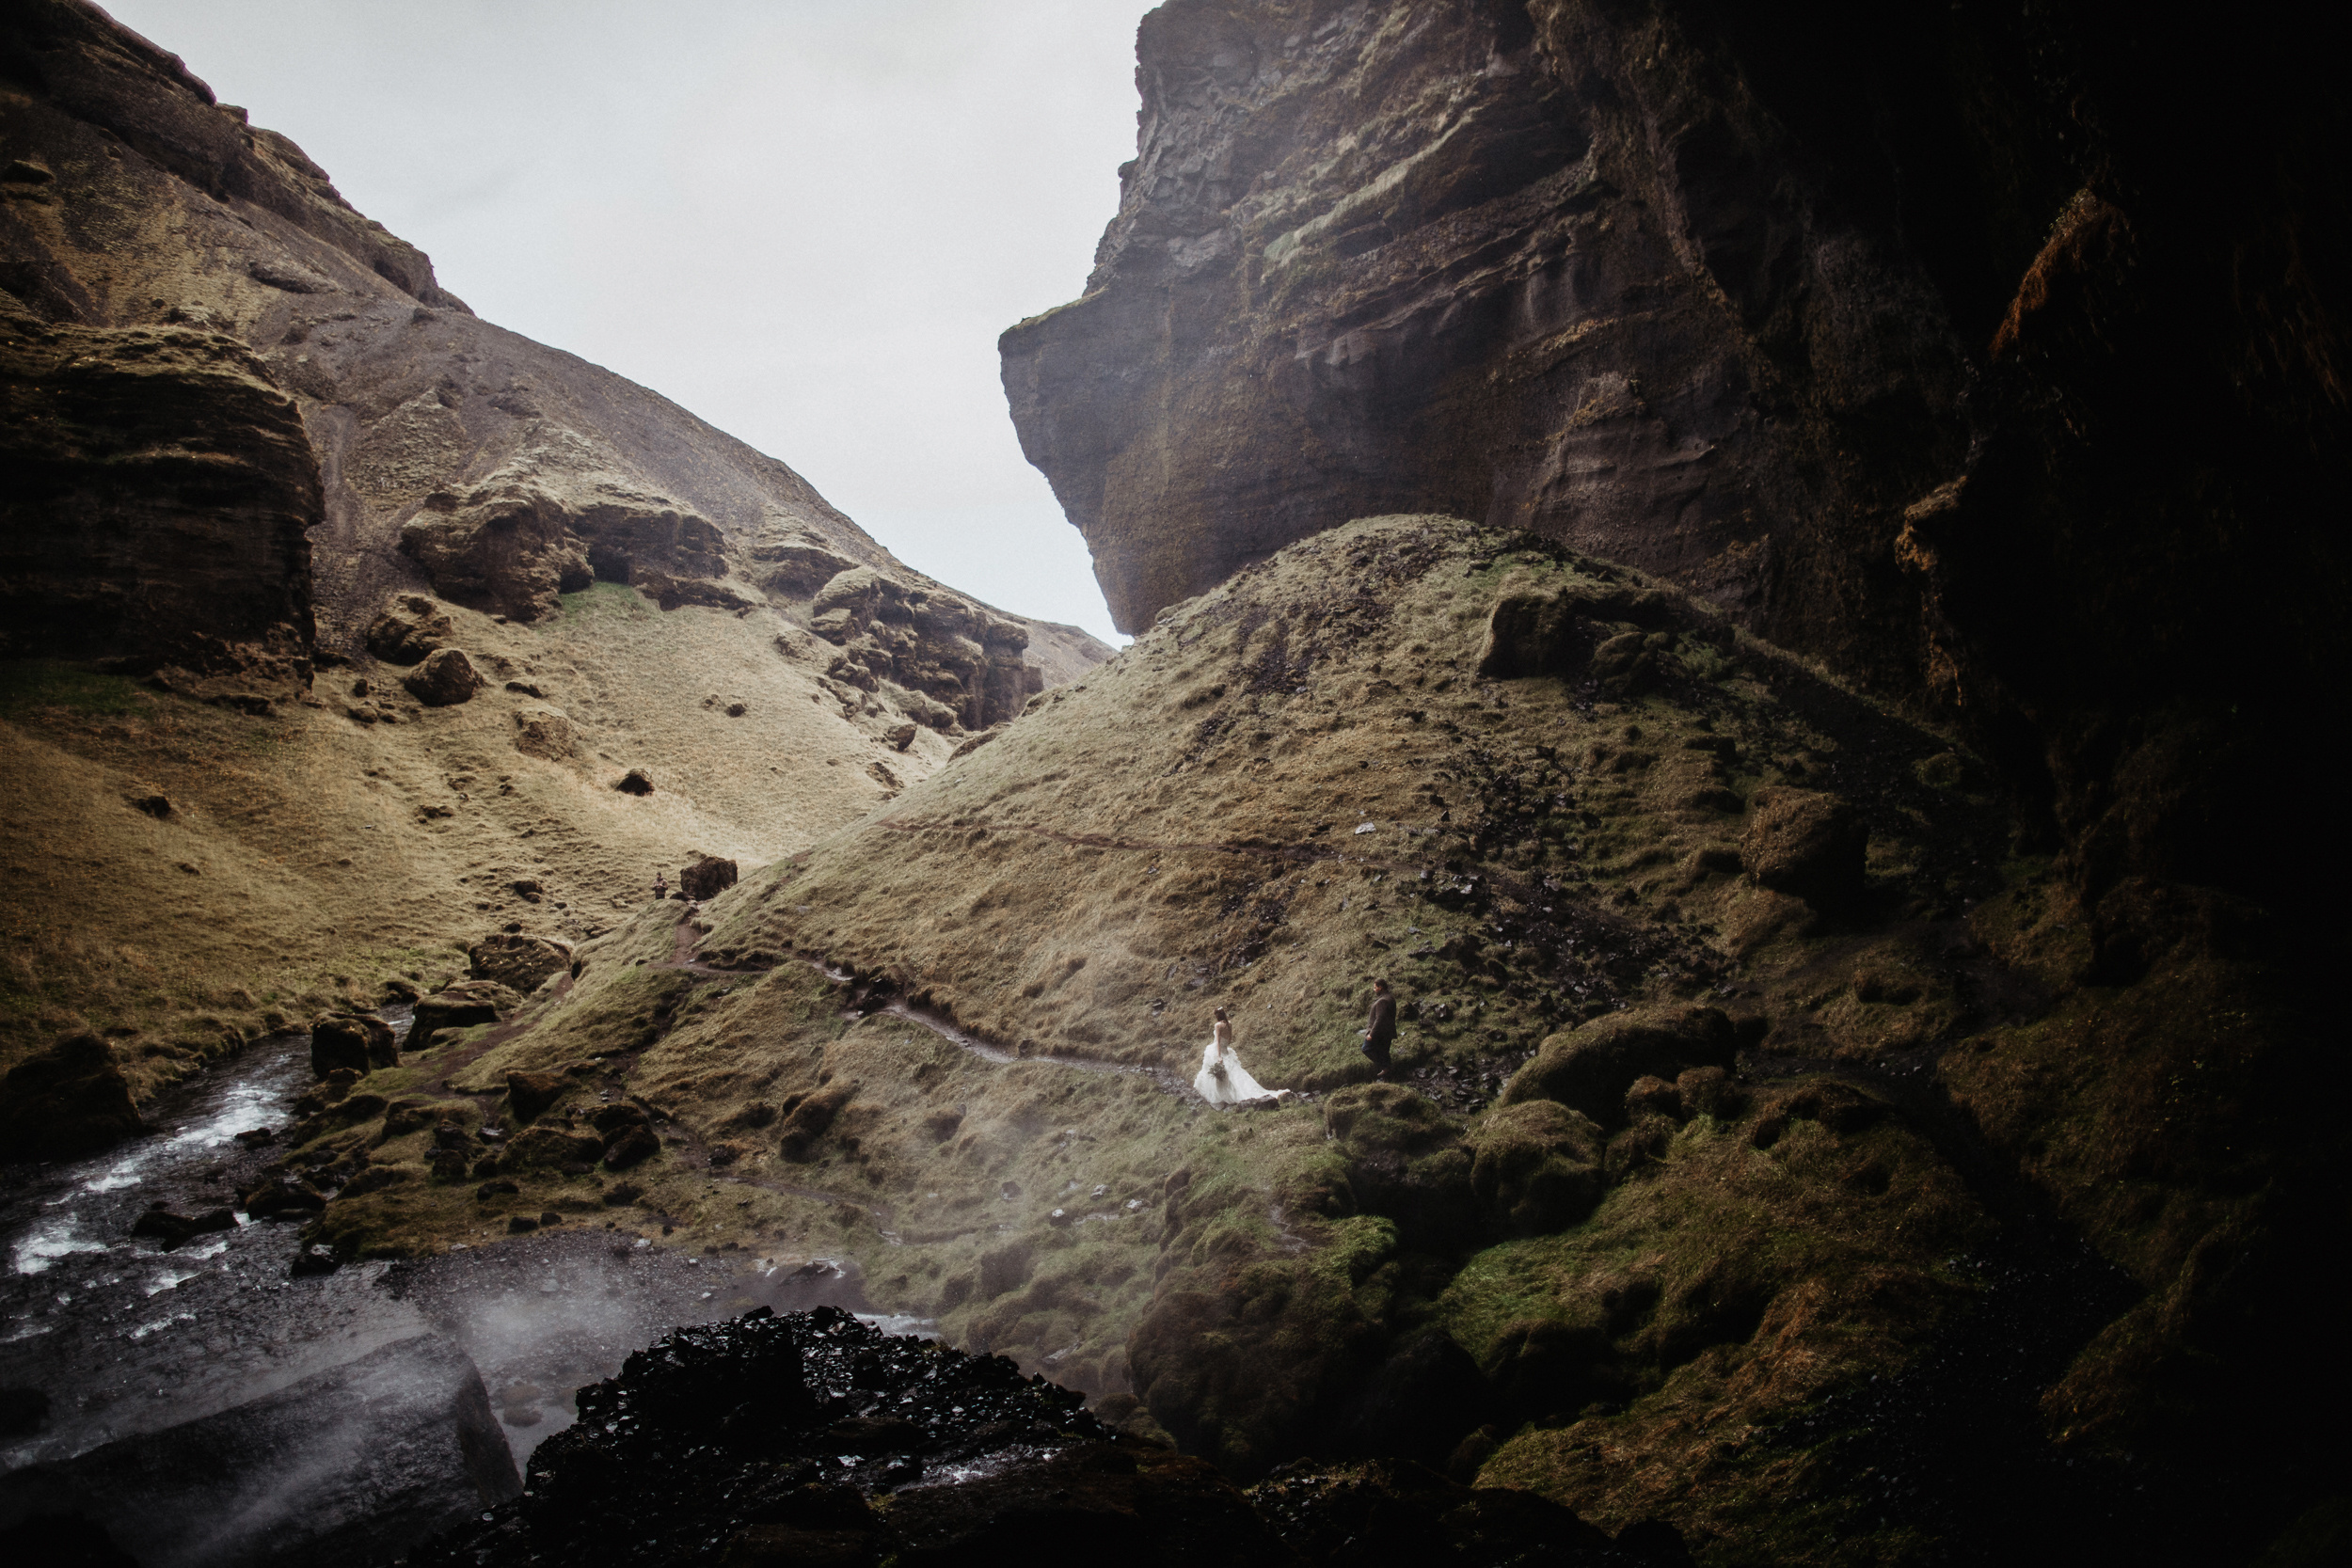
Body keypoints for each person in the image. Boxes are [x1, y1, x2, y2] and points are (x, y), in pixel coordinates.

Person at [1195, 1006, 1275, 1105]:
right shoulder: (1229, 1024)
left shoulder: (1218, 1025)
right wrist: (1225, 1048)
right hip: (1226, 1049)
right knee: (1234, 1072)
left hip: (1218, 1049)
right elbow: (1230, 1038)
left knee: (1215, 1070)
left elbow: (1218, 1042)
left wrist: (1219, 1056)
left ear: (1217, 1016)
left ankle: (1222, 1094)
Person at [1359, 977, 1396, 1080]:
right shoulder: (1390, 998)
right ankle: (1388, 1076)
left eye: (1375, 987)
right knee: (1384, 1052)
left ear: (1380, 988)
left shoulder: (1383, 1001)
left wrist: (1371, 1034)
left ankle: (1385, 1067)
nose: (1374, 989)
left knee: (1366, 1048)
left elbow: (1380, 1019)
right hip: (1387, 1033)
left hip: (1380, 1033)